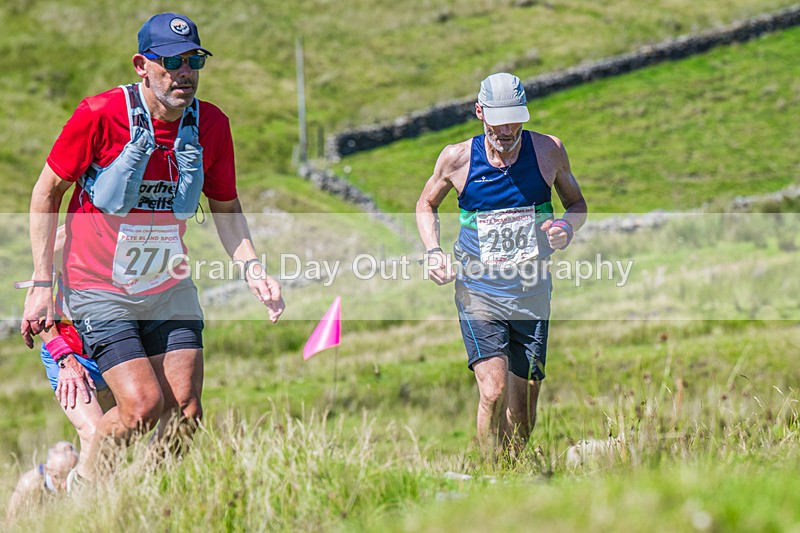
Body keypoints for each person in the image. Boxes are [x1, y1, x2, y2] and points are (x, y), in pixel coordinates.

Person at [20, 12, 285, 486]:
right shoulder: (100, 114)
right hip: (99, 287)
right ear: (143, 64)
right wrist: (41, 282)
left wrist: (253, 269)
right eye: (172, 62)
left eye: (194, 61)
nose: (185, 72)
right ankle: (87, 495)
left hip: (168, 285)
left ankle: (144, 497)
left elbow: (226, 206)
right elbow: (46, 192)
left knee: (186, 409)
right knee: (141, 406)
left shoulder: (212, 125)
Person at [416, 72, 587, 454]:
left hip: (532, 291)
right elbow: (426, 204)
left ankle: (514, 470)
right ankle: (488, 470)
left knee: (523, 408)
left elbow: (576, 205)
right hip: (478, 291)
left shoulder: (548, 151)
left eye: (515, 121)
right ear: (480, 113)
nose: (508, 130)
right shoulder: (457, 159)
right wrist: (433, 250)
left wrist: (565, 227)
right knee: (492, 392)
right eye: (499, 122)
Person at [5, 442, 79, 519]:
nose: (64, 485)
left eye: (69, 476)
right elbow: (10, 520)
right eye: (57, 477)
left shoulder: (79, 482)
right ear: (47, 469)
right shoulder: (29, 484)